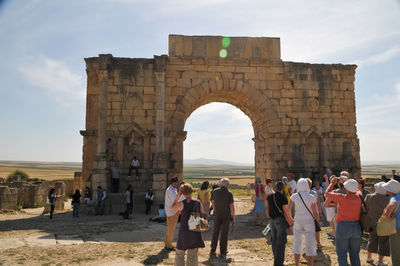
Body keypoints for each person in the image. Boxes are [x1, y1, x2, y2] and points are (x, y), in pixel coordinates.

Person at [326, 177, 362, 266]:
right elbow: (358, 191)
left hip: (343, 227)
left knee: (342, 254)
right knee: (355, 254)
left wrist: (332, 184)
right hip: (356, 227)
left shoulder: (341, 198)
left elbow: (326, 194)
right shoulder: (359, 197)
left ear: (346, 188)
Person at [172, 183, 205, 266]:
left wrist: (178, 196)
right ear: (191, 191)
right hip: (194, 229)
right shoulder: (198, 202)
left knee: (180, 253)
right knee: (193, 254)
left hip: (184, 230)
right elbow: (203, 214)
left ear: (182, 192)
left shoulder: (182, 203)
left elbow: (173, 207)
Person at [288, 178, 318, 266]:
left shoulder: (294, 196)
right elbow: (315, 212)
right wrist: (317, 220)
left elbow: (287, 209)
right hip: (309, 222)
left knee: (297, 244)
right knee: (310, 245)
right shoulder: (311, 197)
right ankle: (310, 264)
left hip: (297, 221)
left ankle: (297, 264)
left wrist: (290, 219)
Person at [265, 181, 293, 266]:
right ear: (283, 188)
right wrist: (291, 223)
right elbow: (286, 212)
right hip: (280, 221)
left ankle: (276, 259)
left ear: (275, 188)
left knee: (274, 240)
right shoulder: (283, 198)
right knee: (281, 242)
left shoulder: (269, 197)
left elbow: (266, 208)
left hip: (272, 220)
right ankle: (278, 263)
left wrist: (268, 218)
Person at [365, 182, 390, 265]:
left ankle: (369, 258)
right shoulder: (388, 199)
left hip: (371, 222)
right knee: (383, 242)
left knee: (371, 240)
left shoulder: (369, 197)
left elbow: (365, 208)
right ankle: (380, 261)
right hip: (384, 223)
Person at [210, 178, 235, 259]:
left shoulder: (215, 191)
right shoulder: (229, 193)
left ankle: (213, 248)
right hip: (226, 215)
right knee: (224, 233)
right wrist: (233, 216)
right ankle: (223, 251)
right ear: (227, 185)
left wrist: (214, 210)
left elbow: (212, 202)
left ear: (220, 184)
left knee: (215, 232)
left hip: (217, 214)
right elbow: (232, 207)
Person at [381, 180, 400, 266]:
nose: (386, 190)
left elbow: (391, 206)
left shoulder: (394, 198)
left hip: (396, 227)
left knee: (396, 251)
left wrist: (388, 215)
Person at [164, 177, 184, 250]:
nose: (178, 184)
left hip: (172, 211)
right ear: (174, 183)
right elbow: (175, 200)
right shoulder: (170, 190)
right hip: (172, 212)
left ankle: (167, 243)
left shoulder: (173, 189)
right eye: (177, 182)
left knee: (169, 228)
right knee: (171, 229)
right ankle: (169, 246)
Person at [306, 178, 323, 249]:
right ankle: (318, 243)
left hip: (305, 214)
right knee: (316, 229)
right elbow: (318, 204)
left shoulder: (300, 194)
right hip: (314, 213)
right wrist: (320, 213)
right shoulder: (314, 193)